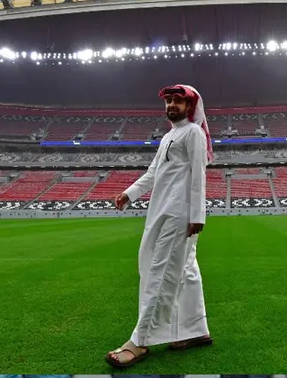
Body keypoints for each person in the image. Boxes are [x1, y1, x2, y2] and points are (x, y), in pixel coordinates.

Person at [105, 84, 215, 369]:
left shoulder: (193, 133)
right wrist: (128, 193)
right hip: (161, 209)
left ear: (190, 106)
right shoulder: (168, 136)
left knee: (160, 270)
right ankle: (196, 330)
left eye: (178, 101)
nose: (172, 105)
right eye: (168, 100)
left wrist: (197, 215)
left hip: (179, 213)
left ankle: (140, 341)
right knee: (187, 269)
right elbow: (154, 172)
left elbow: (198, 174)